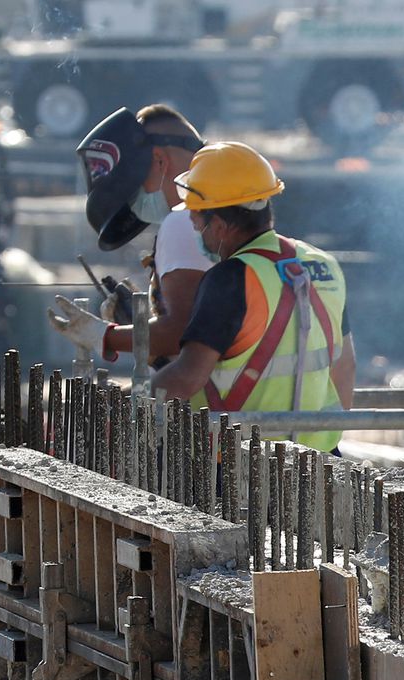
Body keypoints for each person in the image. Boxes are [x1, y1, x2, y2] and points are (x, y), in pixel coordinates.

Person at [150, 140, 356, 454]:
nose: (195, 232)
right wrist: (321, 442)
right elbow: (345, 367)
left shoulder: (231, 278)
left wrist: (143, 393)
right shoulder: (322, 264)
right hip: (322, 462)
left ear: (218, 225)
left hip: (241, 469)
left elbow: (185, 379)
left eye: (196, 223)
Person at [48, 104, 210, 363]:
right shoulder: (226, 215)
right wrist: (145, 325)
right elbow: (205, 339)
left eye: (135, 188)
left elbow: (181, 334)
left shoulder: (184, 222)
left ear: (158, 160)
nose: (136, 201)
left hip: (222, 402)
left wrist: (105, 335)